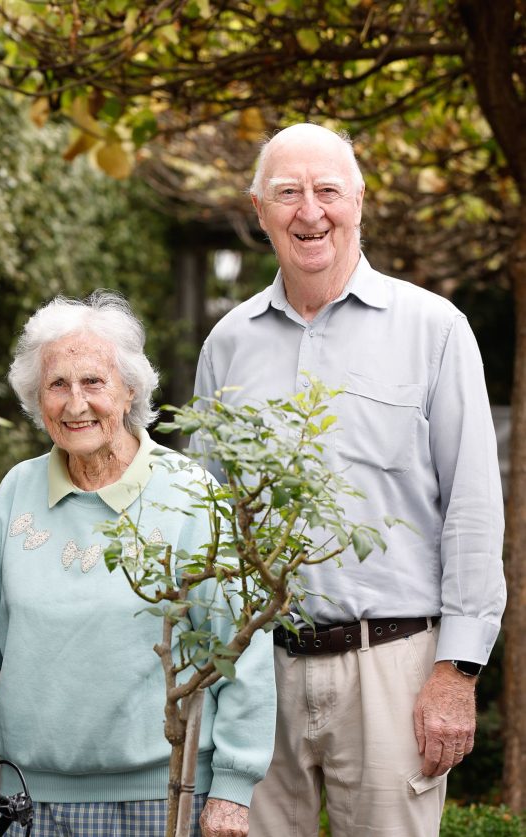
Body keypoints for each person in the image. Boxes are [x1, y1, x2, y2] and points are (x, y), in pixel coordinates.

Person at [191, 123, 506, 837]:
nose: (310, 212)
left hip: (392, 668)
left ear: (358, 200)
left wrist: (456, 672)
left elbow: (473, 508)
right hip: (257, 673)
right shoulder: (227, 343)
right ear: (257, 208)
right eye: (288, 193)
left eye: (327, 190)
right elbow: (205, 518)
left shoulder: (435, 329)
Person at [0, 291, 276, 837]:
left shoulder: (188, 496)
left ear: (130, 388)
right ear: (35, 396)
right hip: (30, 800)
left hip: (163, 797)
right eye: (57, 385)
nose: (75, 404)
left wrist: (233, 788)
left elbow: (242, 649)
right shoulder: (18, 491)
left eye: (93, 382)